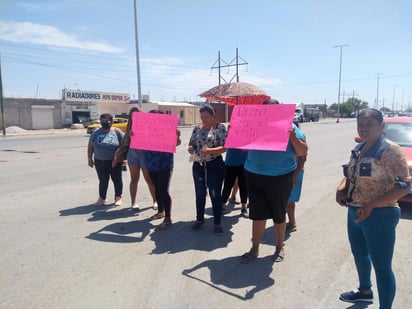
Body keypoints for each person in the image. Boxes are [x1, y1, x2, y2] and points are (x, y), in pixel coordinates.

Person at [336, 108, 410, 308]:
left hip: (380, 215)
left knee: (382, 266)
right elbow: (350, 173)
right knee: (359, 254)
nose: (364, 128)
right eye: (361, 124)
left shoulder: (390, 150)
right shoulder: (360, 148)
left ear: (381, 126)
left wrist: (373, 204)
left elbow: (405, 186)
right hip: (355, 211)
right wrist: (341, 188)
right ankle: (364, 290)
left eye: (370, 124)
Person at [240, 98, 308, 263]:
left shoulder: (291, 128)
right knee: (257, 214)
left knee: (279, 214)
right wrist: (238, 132)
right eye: (266, 111)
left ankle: (279, 246)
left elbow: (303, 152)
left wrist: (292, 138)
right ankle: (254, 248)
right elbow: (243, 146)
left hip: (280, 177)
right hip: (254, 174)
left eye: (273, 110)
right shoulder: (255, 126)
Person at [187, 104, 227, 235]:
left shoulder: (220, 128)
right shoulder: (197, 128)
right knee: (200, 193)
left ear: (213, 115)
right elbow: (192, 143)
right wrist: (191, 148)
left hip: (214, 165)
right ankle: (199, 219)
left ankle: (217, 223)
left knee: (215, 194)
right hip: (198, 165)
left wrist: (211, 151)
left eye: (207, 116)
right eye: (202, 116)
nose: (204, 119)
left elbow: (225, 147)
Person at [114, 107, 157, 211]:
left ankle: (155, 201)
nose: (134, 116)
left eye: (136, 114)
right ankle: (134, 202)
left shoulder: (147, 125)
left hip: (144, 153)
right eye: (132, 115)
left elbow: (153, 137)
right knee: (134, 179)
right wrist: (130, 136)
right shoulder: (129, 126)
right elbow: (125, 143)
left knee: (149, 179)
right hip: (132, 153)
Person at [145, 110, 182, 230]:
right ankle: (160, 211)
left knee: (164, 190)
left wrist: (176, 136)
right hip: (151, 163)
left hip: (165, 164)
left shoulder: (168, 129)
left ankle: (168, 218)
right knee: (156, 188)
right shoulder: (146, 129)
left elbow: (177, 143)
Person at [88, 113, 124, 206]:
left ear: (111, 122)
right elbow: (90, 145)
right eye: (102, 121)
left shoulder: (117, 131)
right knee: (103, 180)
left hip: (114, 161)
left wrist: (119, 157)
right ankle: (102, 198)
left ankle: (118, 197)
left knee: (117, 180)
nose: (104, 123)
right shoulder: (96, 132)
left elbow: (124, 145)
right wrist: (89, 158)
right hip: (99, 161)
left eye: (107, 121)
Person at [286, 121, 307, 232]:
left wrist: (295, 175)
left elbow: (303, 158)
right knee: (286, 199)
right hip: (290, 171)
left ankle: (292, 223)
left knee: (289, 200)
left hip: (295, 171)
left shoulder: (299, 136)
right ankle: (288, 222)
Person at [221, 146, 249, 218]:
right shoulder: (230, 134)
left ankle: (244, 207)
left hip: (244, 162)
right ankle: (222, 205)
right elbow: (224, 145)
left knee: (244, 186)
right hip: (231, 162)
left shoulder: (248, 135)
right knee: (228, 185)